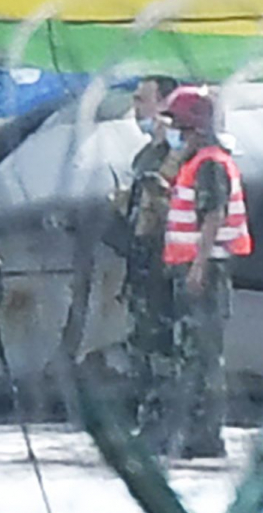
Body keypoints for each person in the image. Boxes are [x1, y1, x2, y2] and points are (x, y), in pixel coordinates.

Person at [160, 86, 249, 461]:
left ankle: (205, 435)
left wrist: (198, 266)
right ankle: (193, 431)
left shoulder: (210, 163)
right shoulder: (197, 161)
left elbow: (212, 215)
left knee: (203, 355)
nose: (175, 135)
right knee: (192, 353)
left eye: (178, 127)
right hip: (196, 267)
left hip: (206, 270)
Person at [105, 75, 181, 450]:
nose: (136, 108)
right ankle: (148, 418)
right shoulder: (146, 155)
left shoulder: (180, 151)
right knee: (142, 342)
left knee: (162, 344)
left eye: (142, 99)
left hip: (166, 259)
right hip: (142, 259)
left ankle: (164, 422)